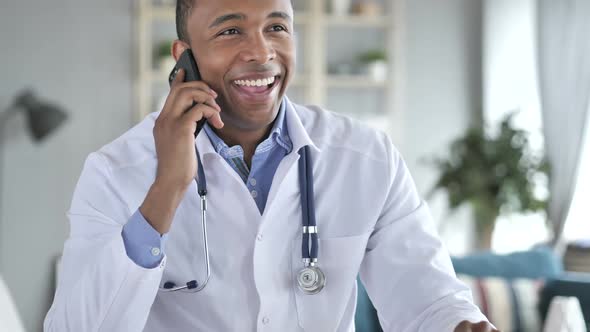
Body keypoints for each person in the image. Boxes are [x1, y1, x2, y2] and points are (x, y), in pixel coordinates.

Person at [44, 0, 498, 331]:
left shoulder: (366, 157)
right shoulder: (115, 171)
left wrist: (462, 324)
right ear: (185, 56)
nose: (261, 52)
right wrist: (165, 190)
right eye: (230, 31)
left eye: (277, 27)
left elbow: (427, 300)